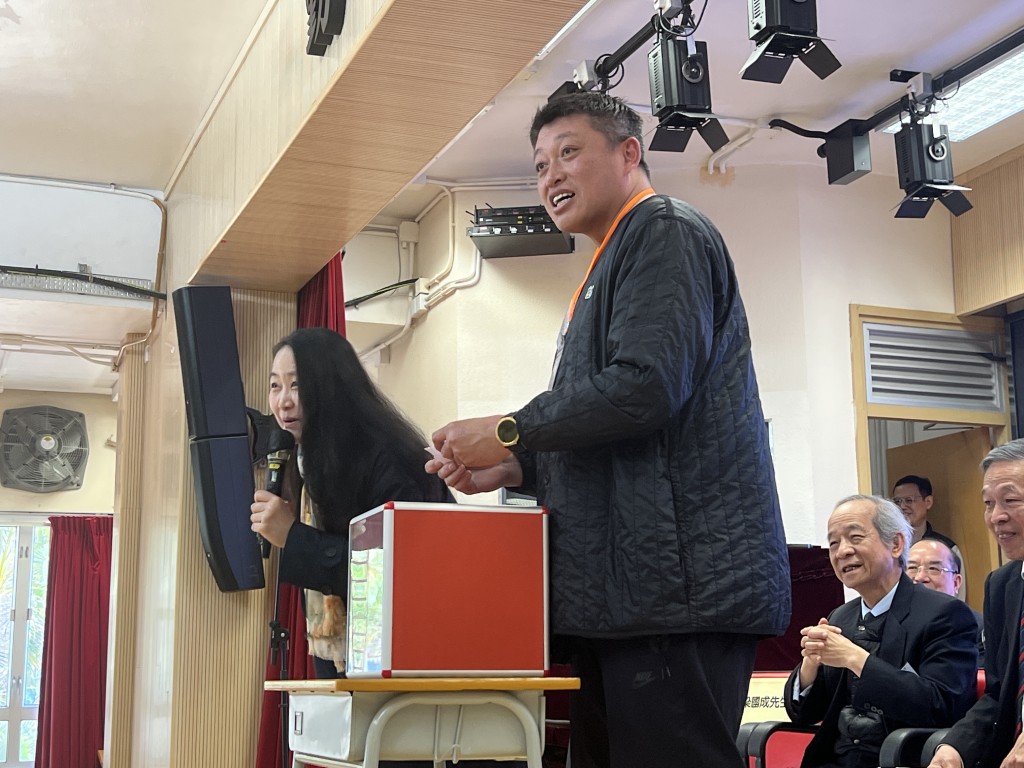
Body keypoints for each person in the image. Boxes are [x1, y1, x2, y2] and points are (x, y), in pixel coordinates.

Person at [426, 91, 791, 768]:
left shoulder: (664, 229)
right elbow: (618, 427)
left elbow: (645, 387)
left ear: (629, 153)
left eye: (569, 152)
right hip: (629, 596)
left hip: (676, 592)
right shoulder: (613, 256)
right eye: (540, 165)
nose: (551, 176)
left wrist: (510, 430)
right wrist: (517, 466)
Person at [250, 327, 453, 679]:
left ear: (332, 386)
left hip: (404, 658)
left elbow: (392, 576)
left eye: (297, 385)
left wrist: (293, 537)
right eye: (275, 385)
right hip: (344, 657)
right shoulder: (306, 460)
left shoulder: (388, 459)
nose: (283, 401)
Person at [786, 495, 978, 768]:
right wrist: (810, 664)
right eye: (834, 543)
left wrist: (856, 659)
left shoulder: (944, 614)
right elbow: (805, 715)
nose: (842, 552)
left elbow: (941, 708)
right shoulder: (840, 617)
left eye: (855, 537)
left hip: (900, 758)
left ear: (896, 544)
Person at [928, 439, 1024, 768]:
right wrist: (954, 747)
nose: (996, 517)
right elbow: (998, 694)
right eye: (988, 503)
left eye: (1010, 500)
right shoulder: (1002, 586)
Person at [906, 539, 983, 665]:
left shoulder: (979, 627)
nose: (920, 577)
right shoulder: (891, 623)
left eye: (933, 568)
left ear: (956, 582)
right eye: (912, 568)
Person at [892, 474, 967, 600]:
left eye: (909, 500)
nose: (902, 506)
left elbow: (959, 597)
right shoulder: (889, 548)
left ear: (928, 502)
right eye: (897, 502)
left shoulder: (947, 548)